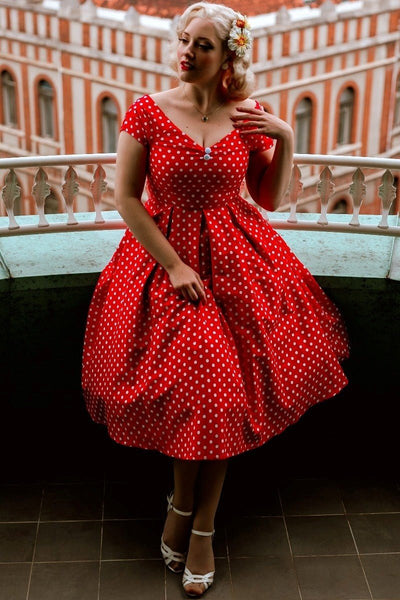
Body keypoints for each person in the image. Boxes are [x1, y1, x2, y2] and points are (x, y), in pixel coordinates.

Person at [82, 2, 349, 597]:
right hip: (167, 265)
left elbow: (270, 200)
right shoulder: (147, 113)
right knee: (200, 388)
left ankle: (197, 523)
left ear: (228, 56)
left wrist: (284, 136)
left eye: (202, 45)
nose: (186, 52)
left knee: (224, 396)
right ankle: (183, 508)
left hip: (238, 263)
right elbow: (127, 199)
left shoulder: (247, 116)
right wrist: (173, 265)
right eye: (183, 40)